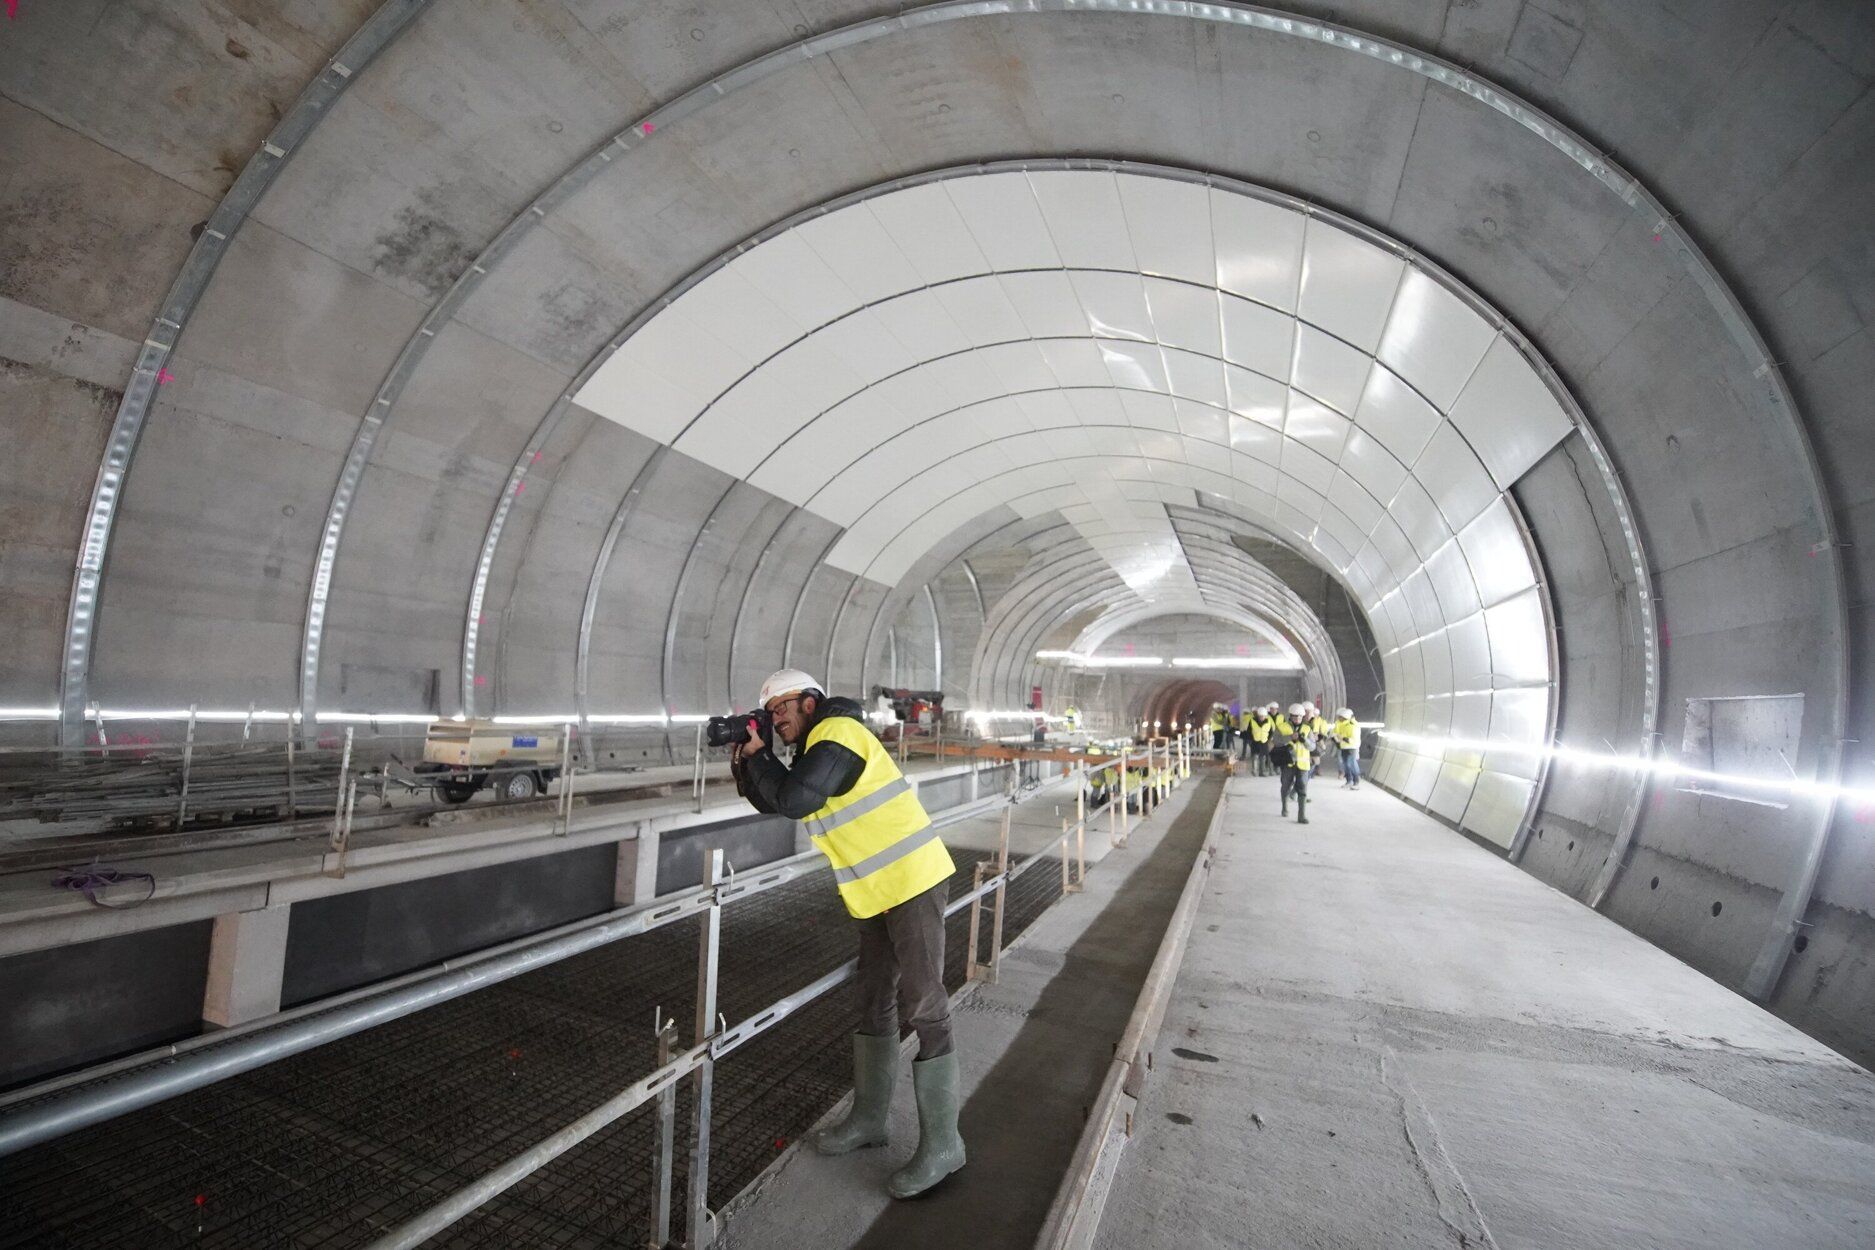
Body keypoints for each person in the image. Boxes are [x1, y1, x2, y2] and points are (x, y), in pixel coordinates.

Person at [730, 669, 965, 1199]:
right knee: (873, 996)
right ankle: (869, 1120)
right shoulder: (814, 752)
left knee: (924, 1002)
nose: (776, 718)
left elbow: (794, 799)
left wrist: (762, 757)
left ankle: (945, 1144)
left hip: (913, 881)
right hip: (877, 892)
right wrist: (750, 755)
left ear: (811, 703)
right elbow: (775, 798)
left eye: (783, 707)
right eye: (769, 713)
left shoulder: (840, 735)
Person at [1278, 702, 1312, 824]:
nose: (1297, 719)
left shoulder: (1307, 729)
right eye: (1295, 716)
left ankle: (1301, 816)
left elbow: (1312, 747)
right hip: (1288, 763)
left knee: (1302, 789)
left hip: (1303, 765)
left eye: (1299, 716)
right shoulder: (1282, 727)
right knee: (1286, 786)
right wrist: (1289, 738)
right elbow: (1276, 741)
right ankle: (1284, 807)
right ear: (1290, 716)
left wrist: (1305, 740)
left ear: (1302, 717)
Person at [1333, 707, 1362, 789]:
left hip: (1352, 747)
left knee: (1351, 763)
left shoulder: (1353, 725)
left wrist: (1342, 738)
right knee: (1346, 764)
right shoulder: (1341, 724)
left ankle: (1356, 782)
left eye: (1340, 717)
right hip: (1344, 747)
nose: (1339, 718)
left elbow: (1353, 739)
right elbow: (1336, 733)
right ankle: (1349, 780)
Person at [1246, 705, 1273, 776]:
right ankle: (1254, 771)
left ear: (1265, 716)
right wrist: (1250, 740)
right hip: (1255, 742)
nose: (1262, 718)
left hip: (1264, 742)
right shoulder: (1252, 721)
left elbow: (1271, 732)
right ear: (1258, 715)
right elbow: (1249, 731)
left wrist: (1268, 739)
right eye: (1260, 716)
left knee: (1263, 758)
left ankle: (1262, 772)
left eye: (1263, 716)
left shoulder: (1268, 722)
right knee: (1255, 757)